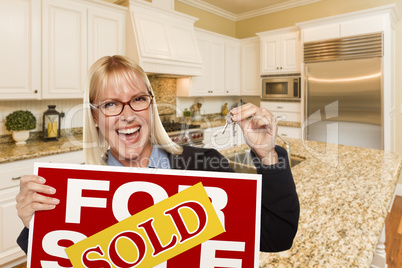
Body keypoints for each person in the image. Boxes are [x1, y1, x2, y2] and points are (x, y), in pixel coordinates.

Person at [16, 55, 299, 254]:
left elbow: (277, 235)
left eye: (138, 99)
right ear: (94, 118)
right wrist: (38, 227)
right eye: (111, 103)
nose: (128, 115)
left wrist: (267, 154)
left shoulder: (204, 165)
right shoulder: (76, 191)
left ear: (150, 106)